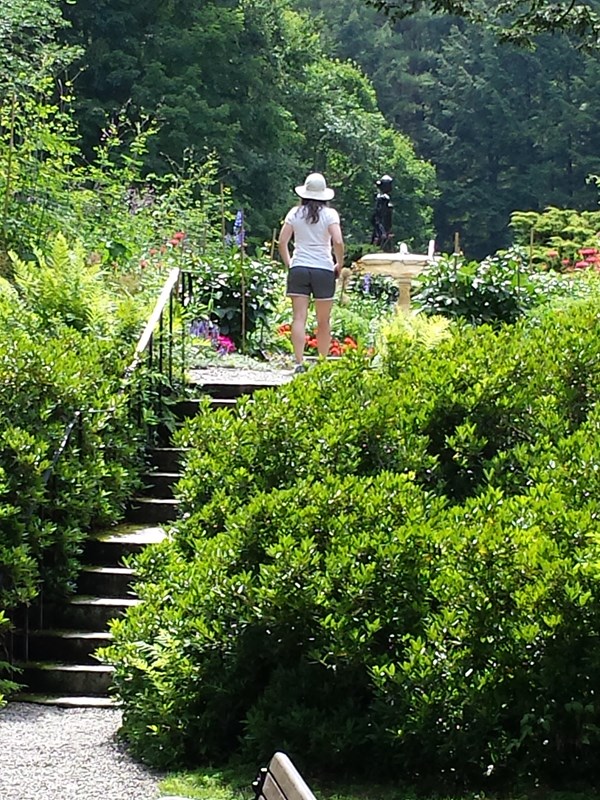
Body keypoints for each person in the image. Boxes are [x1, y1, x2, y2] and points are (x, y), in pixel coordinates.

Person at [278, 172, 345, 374]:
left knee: (299, 317)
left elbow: (282, 241)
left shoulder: (295, 213)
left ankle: (299, 362)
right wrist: (339, 264)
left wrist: (290, 263)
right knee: (323, 320)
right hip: (324, 269)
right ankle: (322, 363)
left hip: (299, 266)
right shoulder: (330, 215)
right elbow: (338, 242)